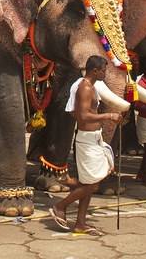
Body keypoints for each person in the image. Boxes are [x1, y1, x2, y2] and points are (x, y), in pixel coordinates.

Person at [51, 56, 121, 235]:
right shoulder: (85, 88)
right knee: (93, 185)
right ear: (95, 70)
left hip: (92, 138)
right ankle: (60, 206)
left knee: (90, 182)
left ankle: (81, 223)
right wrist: (108, 116)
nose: (105, 74)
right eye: (104, 71)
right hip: (87, 140)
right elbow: (82, 116)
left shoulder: (87, 86)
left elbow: (76, 111)